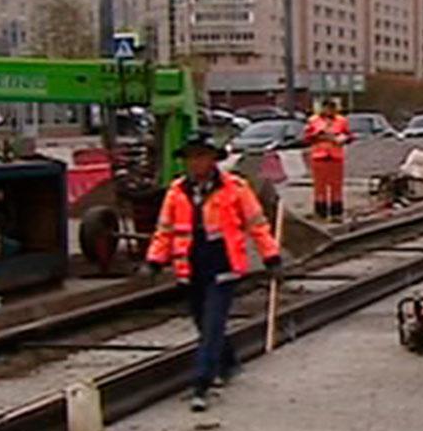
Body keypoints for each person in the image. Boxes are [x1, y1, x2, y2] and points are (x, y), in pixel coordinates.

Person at [145, 132, 281, 412]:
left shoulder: (235, 188)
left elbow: (257, 224)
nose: (196, 163)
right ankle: (229, 363)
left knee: (212, 324)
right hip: (191, 266)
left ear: (212, 159)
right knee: (203, 322)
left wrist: (271, 256)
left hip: (223, 266)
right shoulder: (177, 192)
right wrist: (155, 260)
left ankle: (201, 383)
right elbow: (165, 229)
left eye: (201, 156)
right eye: (191, 157)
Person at [302, 98, 352, 222]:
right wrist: (320, 136)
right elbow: (306, 137)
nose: (329, 110)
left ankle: (336, 212)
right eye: (327, 108)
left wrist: (342, 139)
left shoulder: (342, 121)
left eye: (331, 108)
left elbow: (349, 135)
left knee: (336, 185)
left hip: (336, 156)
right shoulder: (313, 121)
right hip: (319, 156)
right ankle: (321, 212)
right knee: (320, 186)